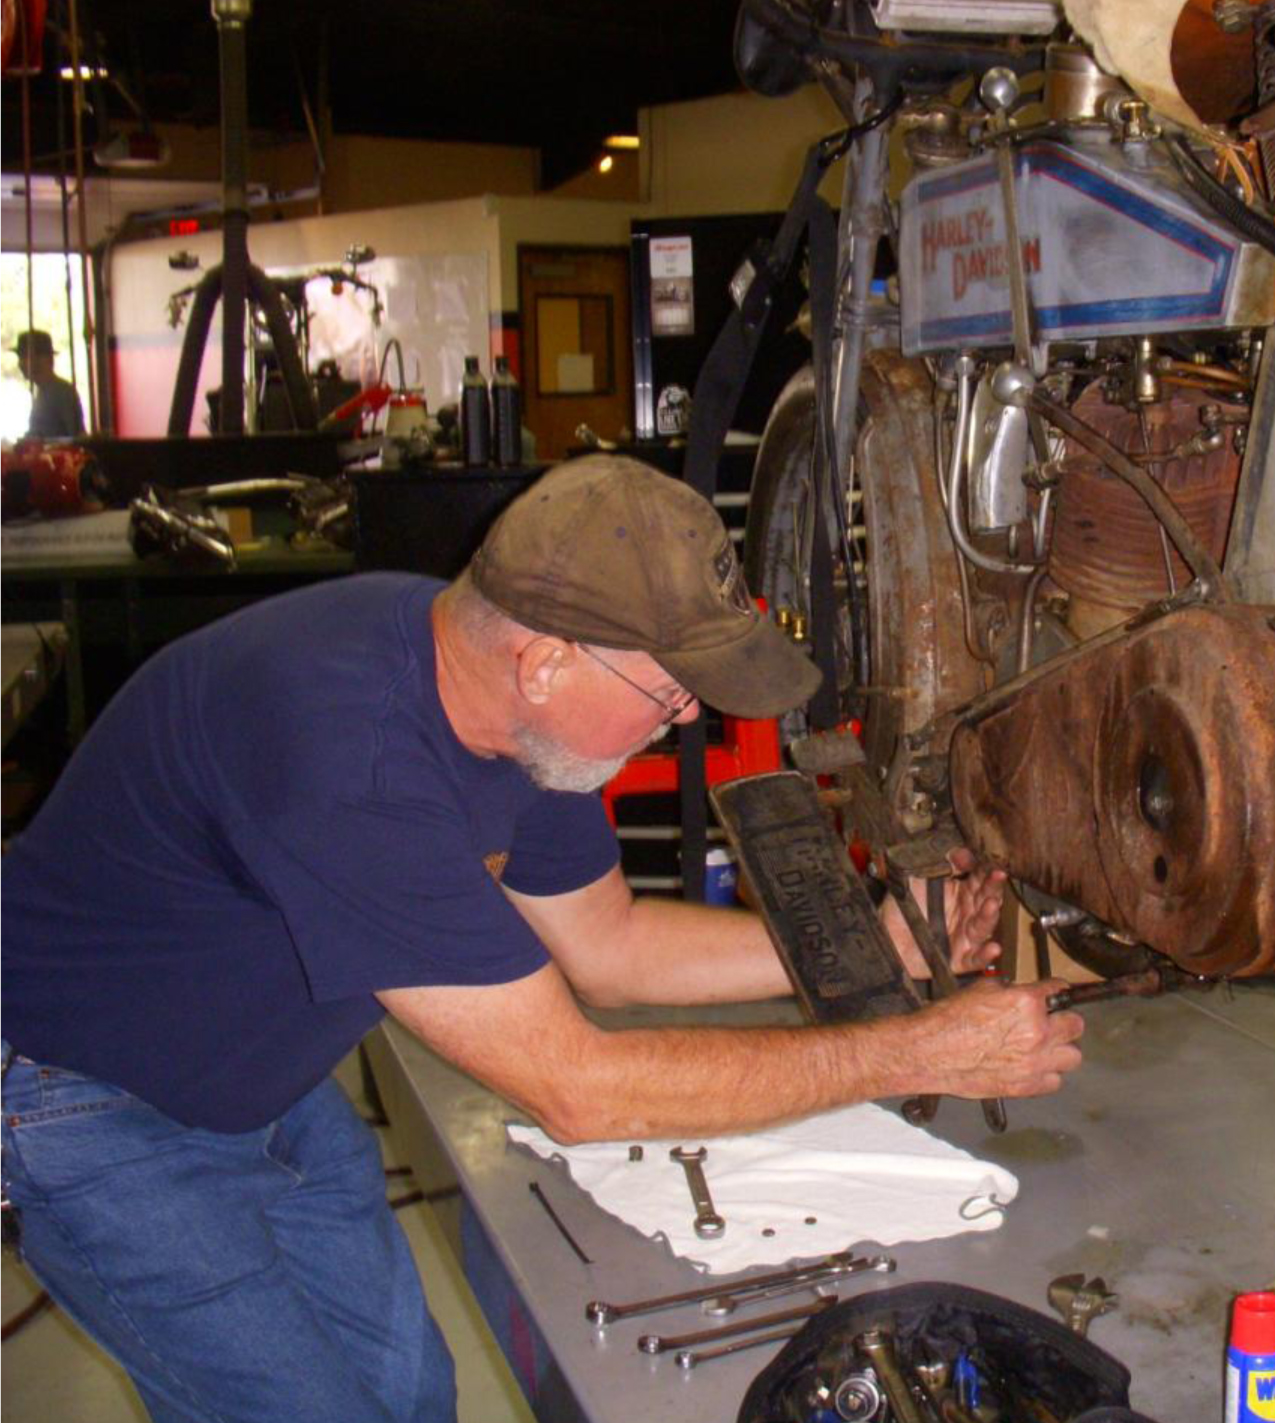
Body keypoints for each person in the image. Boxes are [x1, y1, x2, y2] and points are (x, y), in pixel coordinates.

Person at [0, 454, 1084, 1422]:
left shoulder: (516, 716)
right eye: (667, 698)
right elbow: (579, 1088)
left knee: (407, 1396)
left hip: (263, 1086)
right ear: (546, 661)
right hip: (94, 1107)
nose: (680, 723)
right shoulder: (355, 760)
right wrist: (920, 1050)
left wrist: (881, 944)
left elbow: (609, 947)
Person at [13, 328, 85, 438]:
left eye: (23, 357)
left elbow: (75, 437)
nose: (20, 364)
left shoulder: (62, 392)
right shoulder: (43, 392)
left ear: (42, 359)